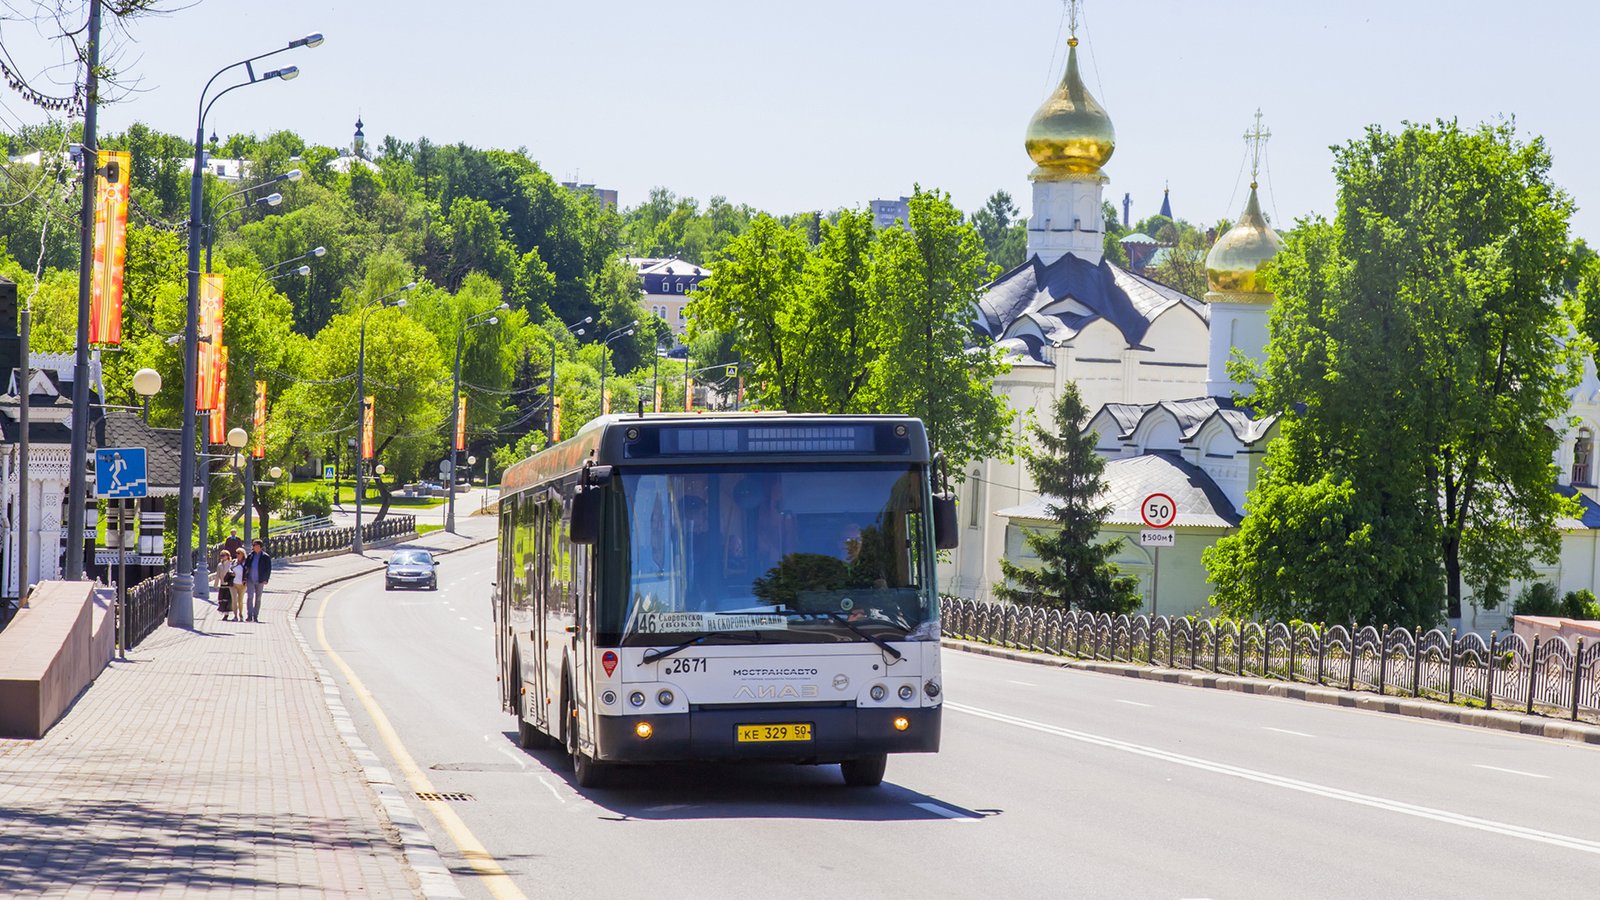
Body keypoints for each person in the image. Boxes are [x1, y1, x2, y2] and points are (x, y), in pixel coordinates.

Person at [242, 539, 272, 623]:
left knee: (258, 598)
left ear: (260, 547)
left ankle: (255, 615)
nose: (254, 547)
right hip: (250, 579)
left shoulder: (265, 557)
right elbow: (246, 567)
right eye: (253, 545)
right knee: (250, 597)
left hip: (260, 580)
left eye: (255, 545)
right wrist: (244, 578)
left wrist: (266, 579)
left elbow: (268, 569)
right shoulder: (250, 555)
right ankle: (249, 615)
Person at [213, 549, 236, 620]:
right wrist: (215, 585)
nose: (222, 557)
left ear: (228, 556)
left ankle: (227, 614)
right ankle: (224, 612)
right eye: (221, 555)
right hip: (222, 584)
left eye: (224, 555)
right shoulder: (219, 565)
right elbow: (217, 575)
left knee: (228, 599)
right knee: (221, 599)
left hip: (229, 584)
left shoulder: (231, 564)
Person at [230, 548, 247, 622]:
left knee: (240, 601)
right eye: (236, 553)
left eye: (238, 553)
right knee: (234, 600)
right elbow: (229, 569)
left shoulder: (245, 563)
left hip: (242, 584)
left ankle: (240, 614)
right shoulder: (234, 562)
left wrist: (246, 580)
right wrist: (231, 572)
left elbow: (248, 571)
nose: (237, 554)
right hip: (233, 583)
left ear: (243, 554)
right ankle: (235, 616)